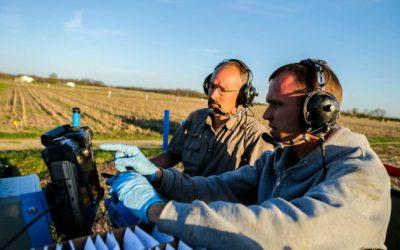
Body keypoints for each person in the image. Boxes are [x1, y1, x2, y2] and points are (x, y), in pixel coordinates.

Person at [103, 59, 391, 249]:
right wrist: (157, 176)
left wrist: (157, 210)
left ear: (316, 112)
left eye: (276, 105)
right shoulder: (278, 160)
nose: (266, 114)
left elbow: (285, 232)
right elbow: (216, 186)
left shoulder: (360, 173)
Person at [102, 59, 272, 177]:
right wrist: (138, 167)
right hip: (180, 198)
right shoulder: (196, 119)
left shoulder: (255, 136)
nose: (213, 95)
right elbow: (171, 155)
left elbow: (255, 189)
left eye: (223, 90)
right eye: (211, 86)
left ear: (243, 95)